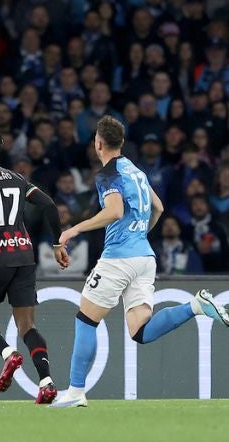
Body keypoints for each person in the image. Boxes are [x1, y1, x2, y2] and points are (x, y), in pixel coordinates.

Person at [53, 116, 229, 408]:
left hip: (118, 259)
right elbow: (158, 208)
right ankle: (195, 306)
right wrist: (140, 235)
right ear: (120, 143)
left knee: (86, 320)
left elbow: (113, 211)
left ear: (98, 143)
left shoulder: (107, 174)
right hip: (144, 257)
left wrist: (74, 229)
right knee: (141, 331)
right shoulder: (136, 171)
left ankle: (75, 392)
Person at [0, 130, 69, 404]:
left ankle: (8, 354)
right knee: (27, 325)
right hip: (24, 254)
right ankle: (46, 382)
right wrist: (57, 243)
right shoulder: (16, 177)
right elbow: (48, 205)